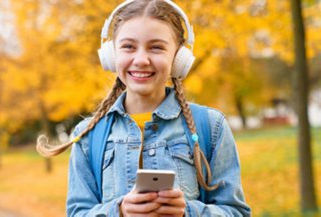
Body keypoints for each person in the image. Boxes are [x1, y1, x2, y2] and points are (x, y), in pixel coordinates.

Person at [37, 0, 251, 216]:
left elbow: (237, 212)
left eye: (156, 47)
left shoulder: (211, 127)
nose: (141, 60)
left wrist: (189, 212)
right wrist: (118, 211)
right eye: (128, 46)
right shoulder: (88, 136)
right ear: (111, 55)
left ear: (178, 58)